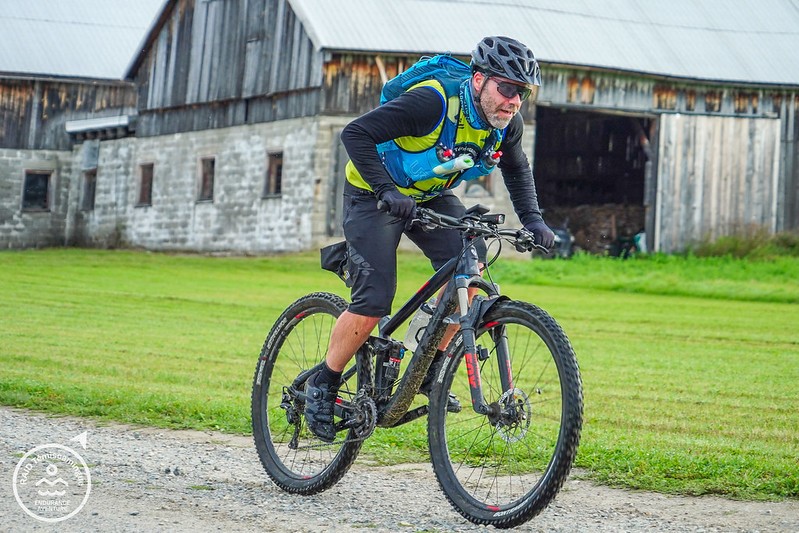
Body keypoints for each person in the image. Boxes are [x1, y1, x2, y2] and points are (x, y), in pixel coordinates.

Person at [304, 36, 556, 442]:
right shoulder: (432, 102)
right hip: (373, 194)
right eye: (506, 88)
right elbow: (355, 135)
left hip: (428, 194)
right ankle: (325, 382)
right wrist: (387, 190)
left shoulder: (506, 123)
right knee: (374, 298)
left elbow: (517, 169)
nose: (513, 101)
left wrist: (534, 220)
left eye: (521, 92)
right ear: (478, 81)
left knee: (469, 274)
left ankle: (428, 373)